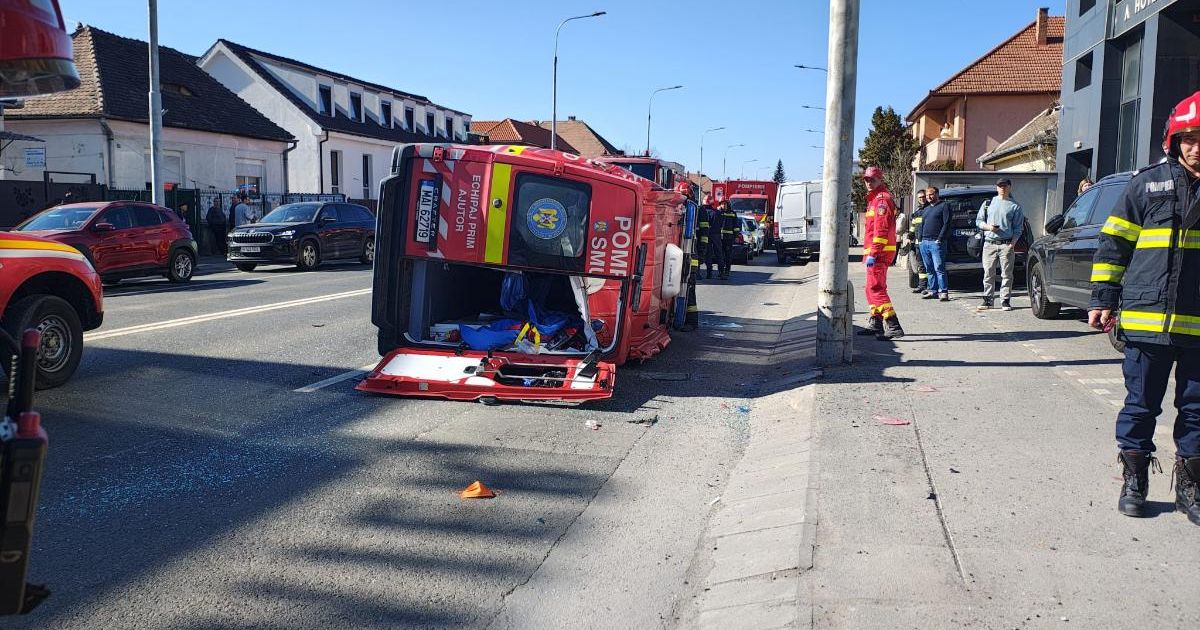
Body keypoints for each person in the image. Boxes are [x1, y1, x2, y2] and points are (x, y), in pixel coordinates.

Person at [1088, 91, 1200, 526]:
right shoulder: (1146, 184)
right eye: (1188, 138)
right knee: (1140, 407)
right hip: (1145, 321)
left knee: (1196, 410)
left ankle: (1190, 486)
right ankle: (1134, 480)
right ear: (1173, 140)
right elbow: (1113, 244)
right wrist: (1102, 300)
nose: (1196, 147)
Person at [858, 166, 904, 339]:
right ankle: (876, 322)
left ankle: (893, 325)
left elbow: (881, 231)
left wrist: (874, 253)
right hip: (876, 252)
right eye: (866, 180)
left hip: (879, 252)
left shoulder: (881, 200)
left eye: (872, 180)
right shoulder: (874, 199)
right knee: (871, 288)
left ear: (880, 180)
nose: (869, 183)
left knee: (876, 288)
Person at [975, 178, 1024, 311]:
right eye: (1000, 186)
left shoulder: (1015, 206)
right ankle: (988, 300)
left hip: (1006, 245)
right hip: (989, 243)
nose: (1002, 188)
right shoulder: (988, 203)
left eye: (1005, 186)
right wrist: (989, 227)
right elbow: (978, 221)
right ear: (996, 188)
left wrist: (1012, 244)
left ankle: (1005, 300)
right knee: (988, 273)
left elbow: (1018, 228)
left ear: (1009, 187)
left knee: (1006, 274)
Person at [918, 187, 951, 301]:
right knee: (929, 269)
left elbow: (946, 223)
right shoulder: (926, 209)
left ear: (937, 194)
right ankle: (933, 291)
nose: (928, 197)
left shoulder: (944, 206)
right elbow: (921, 225)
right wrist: (920, 239)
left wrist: (939, 239)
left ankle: (944, 292)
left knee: (939, 268)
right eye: (927, 195)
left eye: (931, 194)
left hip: (936, 243)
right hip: (925, 242)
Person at [903, 189, 930, 293]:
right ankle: (922, 286)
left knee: (929, 265)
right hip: (918, 244)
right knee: (921, 266)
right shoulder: (917, 212)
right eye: (920, 197)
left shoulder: (930, 210)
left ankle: (930, 287)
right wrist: (909, 237)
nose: (922, 199)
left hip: (928, 242)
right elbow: (913, 227)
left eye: (923, 197)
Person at [699, 197, 720, 279]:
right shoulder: (716, 213)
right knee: (712, 255)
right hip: (714, 235)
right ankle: (712, 273)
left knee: (701, 254)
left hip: (703, 236)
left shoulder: (701, 211)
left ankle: (698, 273)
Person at [717, 200, 738, 280]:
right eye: (722, 204)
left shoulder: (732, 213)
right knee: (720, 255)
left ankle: (727, 270)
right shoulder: (718, 212)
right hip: (720, 238)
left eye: (725, 204)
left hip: (729, 238)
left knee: (728, 255)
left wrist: (735, 236)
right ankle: (720, 271)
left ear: (728, 204)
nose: (724, 205)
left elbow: (736, 225)